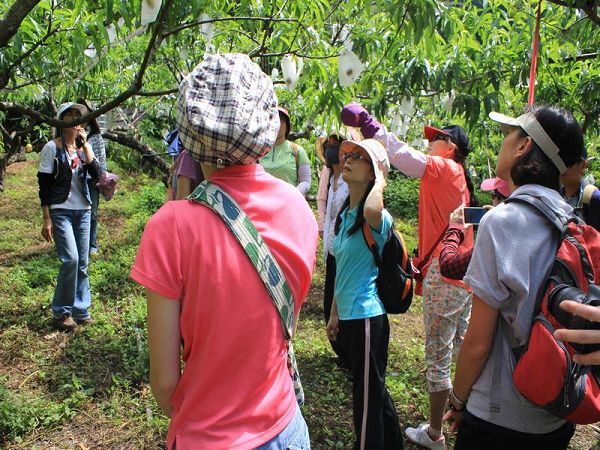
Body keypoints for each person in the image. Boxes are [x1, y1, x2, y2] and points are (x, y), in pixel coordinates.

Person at [130, 53, 318, 450]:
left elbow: (165, 382)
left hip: (208, 436)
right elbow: (283, 327)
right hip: (286, 428)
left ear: (191, 130)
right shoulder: (299, 209)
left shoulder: (171, 227)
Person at [444, 105, 584, 449]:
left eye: (509, 135)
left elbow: (477, 343)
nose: (502, 143)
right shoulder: (574, 222)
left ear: (523, 147)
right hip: (556, 413)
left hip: (498, 417)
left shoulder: (501, 222)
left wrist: (458, 400)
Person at [341, 103, 476, 450]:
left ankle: (434, 434)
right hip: (461, 274)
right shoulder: (457, 180)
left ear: (451, 147)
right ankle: (464, 412)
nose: (430, 143)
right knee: (461, 345)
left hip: (445, 276)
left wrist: (371, 127)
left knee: (438, 353)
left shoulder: (445, 168)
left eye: (437, 139)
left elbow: (402, 155)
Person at [326, 138, 403, 450]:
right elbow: (341, 270)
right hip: (350, 317)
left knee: (365, 400)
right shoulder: (346, 217)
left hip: (368, 318)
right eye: (349, 155)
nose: (348, 159)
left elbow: (373, 206)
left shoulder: (377, 218)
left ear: (373, 173)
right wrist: (333, 314)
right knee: (373, 389)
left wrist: (381, 179)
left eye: (359, 157)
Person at [38, 102, 101, 331]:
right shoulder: (51, 149)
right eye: (70, 115)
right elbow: (44, 186)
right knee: (71, 259)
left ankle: (81, 310)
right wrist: (47, 219)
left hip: (83, 210)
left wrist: (86, 149)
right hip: (60, 210)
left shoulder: (84, 149)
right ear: (61, 121)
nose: (75, 120)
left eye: (78, 116)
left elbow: (98, 175)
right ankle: (62, 311)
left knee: (82, 262)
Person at [316, 132, 350, 369]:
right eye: (328, 146)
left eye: (335, 147)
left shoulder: (350, 180)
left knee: (343, 302)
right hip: (331, 250)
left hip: (346, 250)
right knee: (330, 302)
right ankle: (340, 350)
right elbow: (325, 208)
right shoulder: (330, 177)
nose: (330, 151)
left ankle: (349, 353)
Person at [439, 177, 509, 280]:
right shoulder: (532, 225)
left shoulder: (494, 239)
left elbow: (448, 266)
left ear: (499, 200)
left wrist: (455, 227)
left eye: (493, 194)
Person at [260, 107, 311, 195]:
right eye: (273, 119)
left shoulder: (298, 151)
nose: (277, 123)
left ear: (287, 126)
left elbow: (306, 181)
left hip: (288, 203)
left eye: (281, 120)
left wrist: (294, 194)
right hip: (263, 202)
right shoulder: (259, 149)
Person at [78, 100, 107, 255]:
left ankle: (92, 244)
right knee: (79, 211)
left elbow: (102, 158)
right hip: (76, 179)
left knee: (93, 213)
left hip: (93, 179)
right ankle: (80, 242)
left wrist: (102, 178)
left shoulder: (95, 136)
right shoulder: (70, 134)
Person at [559, 147, 600, 230]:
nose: (562, 167)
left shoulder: (594, 198)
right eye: (560, 161)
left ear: (583, 164)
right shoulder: (556, 195)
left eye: (568, 163)